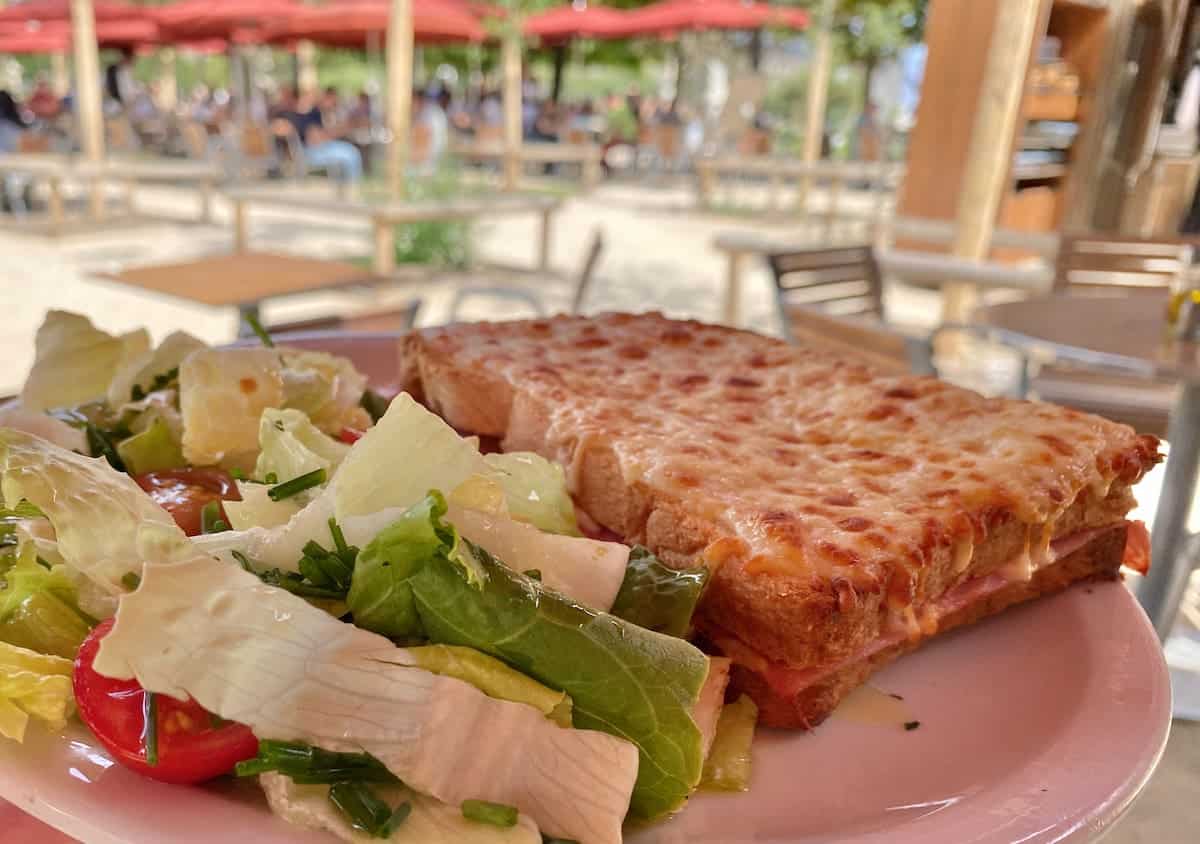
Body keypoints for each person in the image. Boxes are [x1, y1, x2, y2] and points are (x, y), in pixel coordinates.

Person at [274, 87, 363, 185]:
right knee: (351, 153)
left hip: (315, 149)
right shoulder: (288, 116)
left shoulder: (313, 113)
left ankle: (347, 185)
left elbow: (320, 134)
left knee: (350, 152)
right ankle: (352, 186)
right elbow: (315, 138)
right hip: (310, 152)